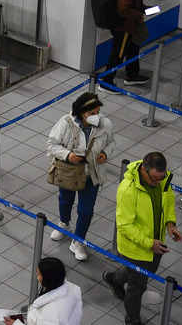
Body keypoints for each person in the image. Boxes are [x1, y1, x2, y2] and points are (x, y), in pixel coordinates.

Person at [102, 152, 182, 325]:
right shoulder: (127, 189)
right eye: (154, 178)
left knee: (147, 272)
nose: (158, 182)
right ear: (143, 170)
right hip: (135, 247)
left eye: (161, 178)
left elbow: (168, 201)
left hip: (156, 242)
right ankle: (132, 319)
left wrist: (170, 223)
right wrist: (148, 243)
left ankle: (113, 278)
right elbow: (124, 225)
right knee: (138, 286)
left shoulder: (163, 179)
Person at [47, 92, 115, 261]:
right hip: (69, 172)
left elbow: (111, 142)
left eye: (97, 112)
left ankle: (78, 241)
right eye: (92, 113)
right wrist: (68, 155)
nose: (96, 116)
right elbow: (51, 145)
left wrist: (106, 153)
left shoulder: (104, 124)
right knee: (65, 201)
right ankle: (64, 224)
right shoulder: (65, 123)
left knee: (86, 211)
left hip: (92, 174)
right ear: (81, 112)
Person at [99, 0, 151, 94]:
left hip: (129, 27)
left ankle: (132, 75)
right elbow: (124, 10)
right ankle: (106, 82)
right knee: (118, 54)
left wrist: (146, 9)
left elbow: (134, 6)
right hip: (124, 28)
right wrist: (139, 16)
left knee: (133, 49)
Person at [3, 257, 83, 325]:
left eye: (38, 274)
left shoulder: (47, 314)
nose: (36, 275)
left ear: (47, 278)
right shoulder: (74, 289)